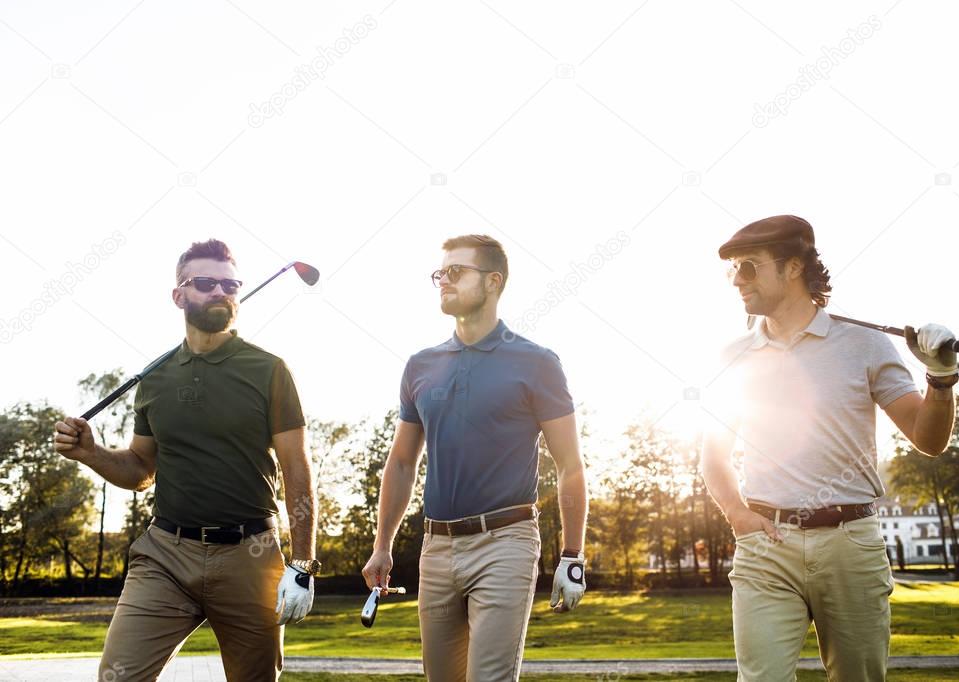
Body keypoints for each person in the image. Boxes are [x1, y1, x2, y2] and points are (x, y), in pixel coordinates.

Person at [700, 215, 959, 681]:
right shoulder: (733, 355)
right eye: (733, 270)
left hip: (850, 544)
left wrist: (940, 378)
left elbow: (928, 439)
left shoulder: (865, 344)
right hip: (766, 546)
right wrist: (739, 516)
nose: (738, 281)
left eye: (749, 268)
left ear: (793, 267)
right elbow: (712, 454)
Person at [54, 239, 319, 681]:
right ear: (179, 294)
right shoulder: (154, 379)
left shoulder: (270, 370)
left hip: (250, 557)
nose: (220, 292)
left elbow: (297, 469)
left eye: (230, 284)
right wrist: (91, 453)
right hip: (165, 556)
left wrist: (303, 563)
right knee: (118, 676)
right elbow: (141, 470)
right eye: (205, 282)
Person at [361, 234, 588, 681]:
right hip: (437, 547)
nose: (443, 281)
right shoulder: (420, 365)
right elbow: (402, 463)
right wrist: (381, 546)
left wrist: (572, 554)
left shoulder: (537, 362)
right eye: (439, 273)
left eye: (456, 272)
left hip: (506, 541)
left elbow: (571, 466)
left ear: (493, 282)